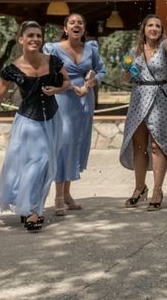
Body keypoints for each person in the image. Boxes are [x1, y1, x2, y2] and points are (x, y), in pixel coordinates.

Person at [0, 21, 70, 232]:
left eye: (38, 36)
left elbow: (67, 82)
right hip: (28, 121)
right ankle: (33, 211)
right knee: (39, 160)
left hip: (53, 118)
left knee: (46, 164)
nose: (35, 39)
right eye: (30, 35)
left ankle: (29, 207)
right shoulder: (12, 69)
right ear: (21, 39)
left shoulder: (54, 61)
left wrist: (56, 90)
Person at [43, 13, 106, 215]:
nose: (76, 25)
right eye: (72, 22)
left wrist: (89, 84)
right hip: (63, 100)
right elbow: (49, 74)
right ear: (65, 28)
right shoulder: (53, 49)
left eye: (80, 22)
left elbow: (101, 71)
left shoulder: (91, 48)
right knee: (64, 144)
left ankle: (68, 194)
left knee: (75, 145)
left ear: (84, 28)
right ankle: (58, 197)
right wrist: (71, 87)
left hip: (84, 101)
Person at [119, 14, 167, 211]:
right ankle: (139, 188)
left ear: (161, 31)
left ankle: (157, 190)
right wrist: (128, 71)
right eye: (150, 25)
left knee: (157, 146)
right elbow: (125, 80)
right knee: (139, 146)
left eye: (157, 26)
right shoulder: (133, 51)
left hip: (159, 98)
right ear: (144, 29)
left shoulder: (165, 48)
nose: (154, 28)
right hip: (138, 98)